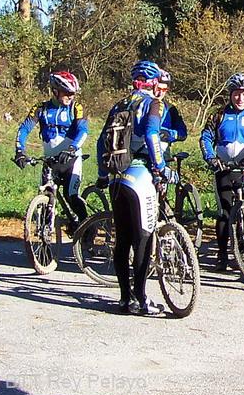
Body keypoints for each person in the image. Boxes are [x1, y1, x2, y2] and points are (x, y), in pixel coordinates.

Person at [97, 60, 176, 316]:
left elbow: (100, 142)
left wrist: (102, 174)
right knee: (143, 239)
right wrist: (161, 167)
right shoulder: (153, 103)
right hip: (140, 177)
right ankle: (142, 300)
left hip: (117, 178)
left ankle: (124, 299)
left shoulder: (119, 105)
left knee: (123, 240)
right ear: (153, 83)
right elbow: (152, 135)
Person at [200, 72, 244, 271]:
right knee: (224, 212)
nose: (240, 98)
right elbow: (206, 137)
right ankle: (222, 254)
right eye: (236, 94)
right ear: (230, 94)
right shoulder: (219, 114)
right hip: (224, 168)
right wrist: (210, 157)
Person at [14, 71, 90, 228]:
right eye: (67, 93)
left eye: (73, 94)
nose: (71, 97)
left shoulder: (76, 107)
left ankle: (88, 228)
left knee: (71, 196)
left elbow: (83, 130)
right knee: (45, 194)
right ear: (55, 91)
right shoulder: (41, 108)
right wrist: (20, 151)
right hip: (50, 161)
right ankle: (44, 233)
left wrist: (72, 148)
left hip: (71, 159)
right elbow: (24, 129)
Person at [154, 70, 187, 156]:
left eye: (164, 89)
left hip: (162, 152)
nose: (160, 93)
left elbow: (182, 133)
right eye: (158, 89)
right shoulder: (139, 105)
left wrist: (168, 134)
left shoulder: (170, 109)